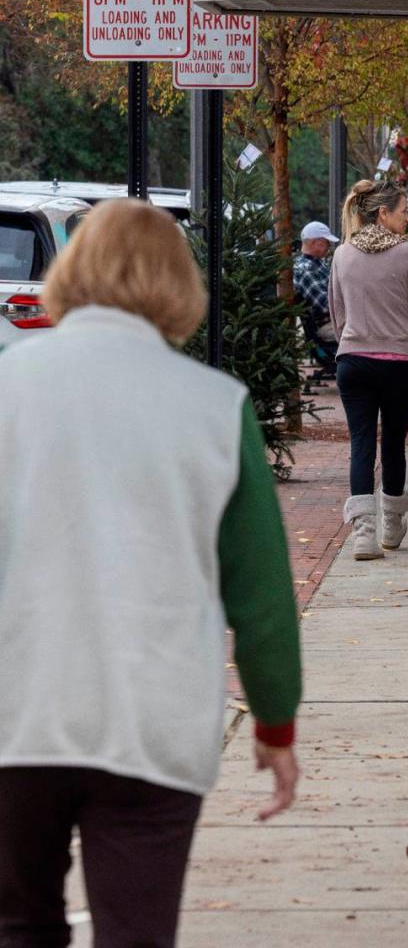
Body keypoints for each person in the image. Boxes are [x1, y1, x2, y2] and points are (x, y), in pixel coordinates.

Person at [0, 200, 301, 948]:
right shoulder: (214, 406)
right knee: (137, 934)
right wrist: (275, 718)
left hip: (15, 711)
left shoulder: (8, 384)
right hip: (152, 718)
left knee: (16, 925)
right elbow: (260, 592)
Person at [329, 178, 408, 561]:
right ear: (383, 213)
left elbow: (336, 312)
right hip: (400, 361)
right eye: (404, 212)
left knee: (361, 444)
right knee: (394, 443)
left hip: (353, 359)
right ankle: (391, 523)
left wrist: (353, 340)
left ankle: (363, 533)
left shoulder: (342, 254)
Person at [293, 219, 338, 353]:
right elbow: (326, 304)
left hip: (336, 321)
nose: (329, 247)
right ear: (314, 243)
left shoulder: (317, 264)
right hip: (328, 325)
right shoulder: (305, 269)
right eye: (326, 243)